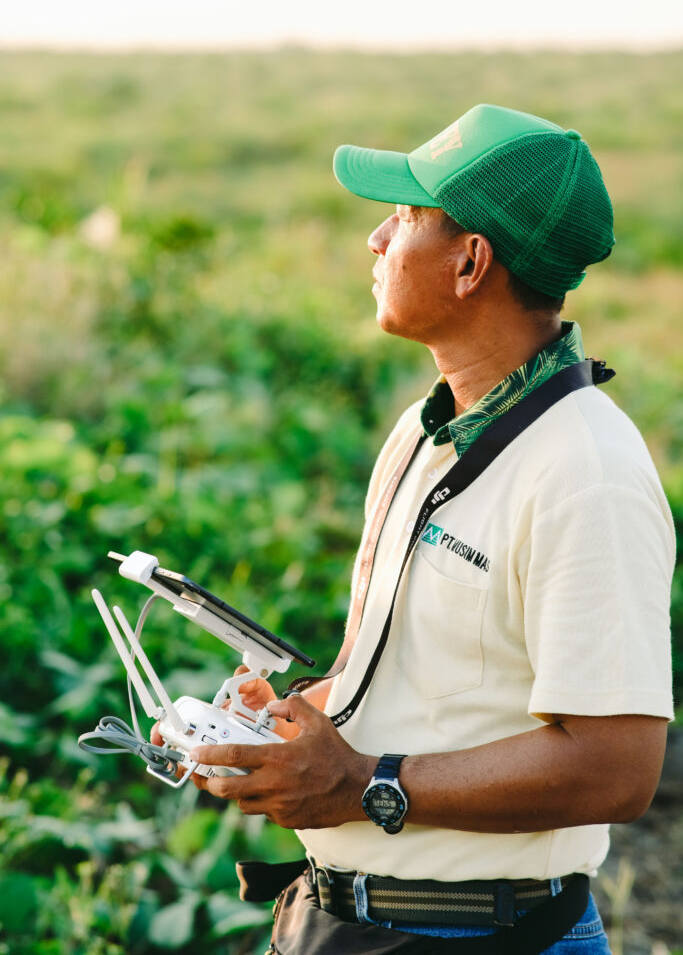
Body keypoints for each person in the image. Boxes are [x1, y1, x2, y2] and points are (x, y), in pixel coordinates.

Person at [183, 104, 675, 953]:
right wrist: (288, 724)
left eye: (406, 217)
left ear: (470, 263)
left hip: (487, 935)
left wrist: (363, 785)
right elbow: (422, 673)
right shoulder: (425, 428)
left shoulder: (584, 469)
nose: (376, 239)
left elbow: (616, 768)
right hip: (341, 919)